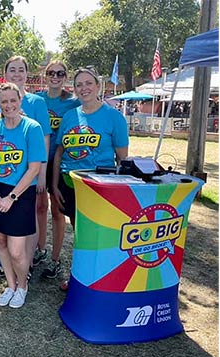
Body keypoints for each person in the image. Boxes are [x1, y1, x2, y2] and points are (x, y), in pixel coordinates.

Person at [52, 67, 129, 291]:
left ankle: (101, 280)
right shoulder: (69, 116)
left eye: (88, 83)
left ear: (97, 86)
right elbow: (59, 152)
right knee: (80, 235)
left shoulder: (114, 117)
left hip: (100, 187)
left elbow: (123, 159)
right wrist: (55, 185)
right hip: (70, 185)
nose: (84, 88)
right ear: (74, 89)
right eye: (79, 85)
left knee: (100, 236)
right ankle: (79, 278)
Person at [0, 83, 46, 308]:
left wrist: (12, 198)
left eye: (13, 100)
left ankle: (22, 286)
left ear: (20, 101)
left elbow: (34, 168)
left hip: (20, 193)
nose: (9, 105)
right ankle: (10, 285)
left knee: (17, 251)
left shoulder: (32, 128)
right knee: (0, 241)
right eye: (4, 101)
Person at [0, 56, 52, 273]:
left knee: (28, 218)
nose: (17, 73)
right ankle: (5, 264)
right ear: (5, 73)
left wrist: (41, 174)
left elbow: (44, 138)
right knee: (3, 223)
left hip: (28, 174)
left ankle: (28, 261)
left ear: (27, 73)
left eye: (21, 70)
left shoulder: (37, 102)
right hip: (2, 172)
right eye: (12, 70)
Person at [35, 60, 81, 280]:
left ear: (66, 76)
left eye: (60, 73)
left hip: (60, 161)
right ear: (45, 76)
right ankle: (40, 249)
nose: (55, 76)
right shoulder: (38, 100)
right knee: (39, 206)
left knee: (57, 211)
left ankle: (55, 259)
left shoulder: (73, 102)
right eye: (51, 73)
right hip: (38, 159)